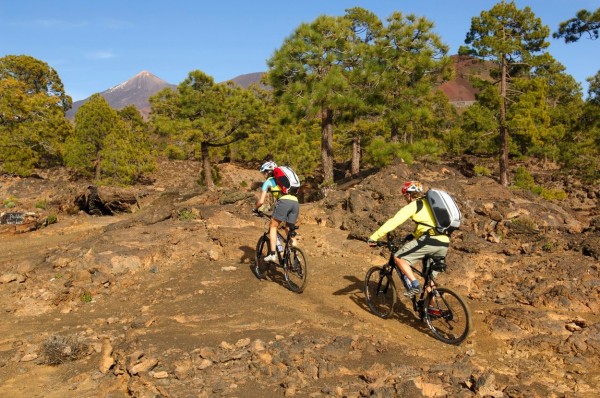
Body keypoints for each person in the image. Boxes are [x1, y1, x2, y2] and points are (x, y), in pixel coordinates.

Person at [367, 181, 450, 297]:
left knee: (399, 257)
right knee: (429, 280)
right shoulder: (433, 205)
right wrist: (411, 236)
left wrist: (374, 237)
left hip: (430, 240)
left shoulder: (415, 205)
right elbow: (428, 224)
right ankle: (430, 310)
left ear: (408, 195)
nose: (405, 198)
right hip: (444, 242)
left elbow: (394, 222)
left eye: (405, 195)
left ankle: (415, 285)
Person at [253, 161, 300, 263]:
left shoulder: (268, 182)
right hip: (295, 202)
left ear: (268, 172)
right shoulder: (284, 182)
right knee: (289, 229)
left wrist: (255, 208)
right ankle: (296, 256)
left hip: (284, 203)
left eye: (264, 172)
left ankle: (272, 254)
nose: (264, 175)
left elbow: (261, 202)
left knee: (273, 226)